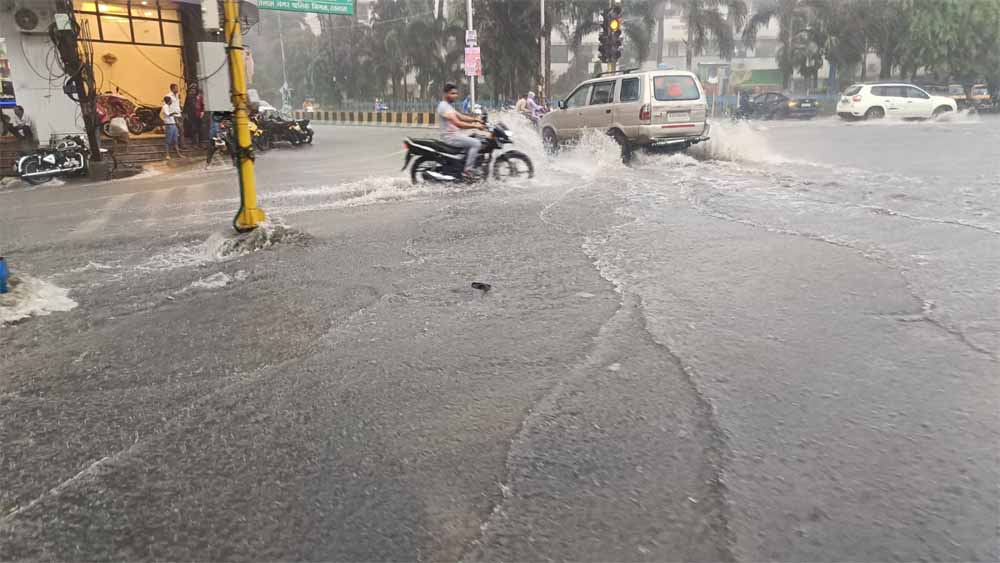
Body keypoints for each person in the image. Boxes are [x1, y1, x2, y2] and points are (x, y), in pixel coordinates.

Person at [437, 82, 487, 179]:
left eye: (456, 93)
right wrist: (476, 126)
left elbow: (461, 117)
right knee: (476, 143)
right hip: (451, 137)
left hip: (455, 135)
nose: (455, 96)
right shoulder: (443, 106)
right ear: (445, 94)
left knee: (476, 137)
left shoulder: (448, 105)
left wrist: (476, 119)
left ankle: (466, 164)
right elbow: (458, 123)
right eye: (452, 93)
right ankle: (467, 171)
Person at [161, 94, 182, 159]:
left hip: (173, 125)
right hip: (169, 125)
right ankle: (167, 154)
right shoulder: (165, 107)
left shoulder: (169, 107)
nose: (172, 102)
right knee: (168, 141)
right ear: (168, 101)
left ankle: (179, 154)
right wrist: (174, 113)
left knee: (175, 140)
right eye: (171, 100)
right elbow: (168, 114)